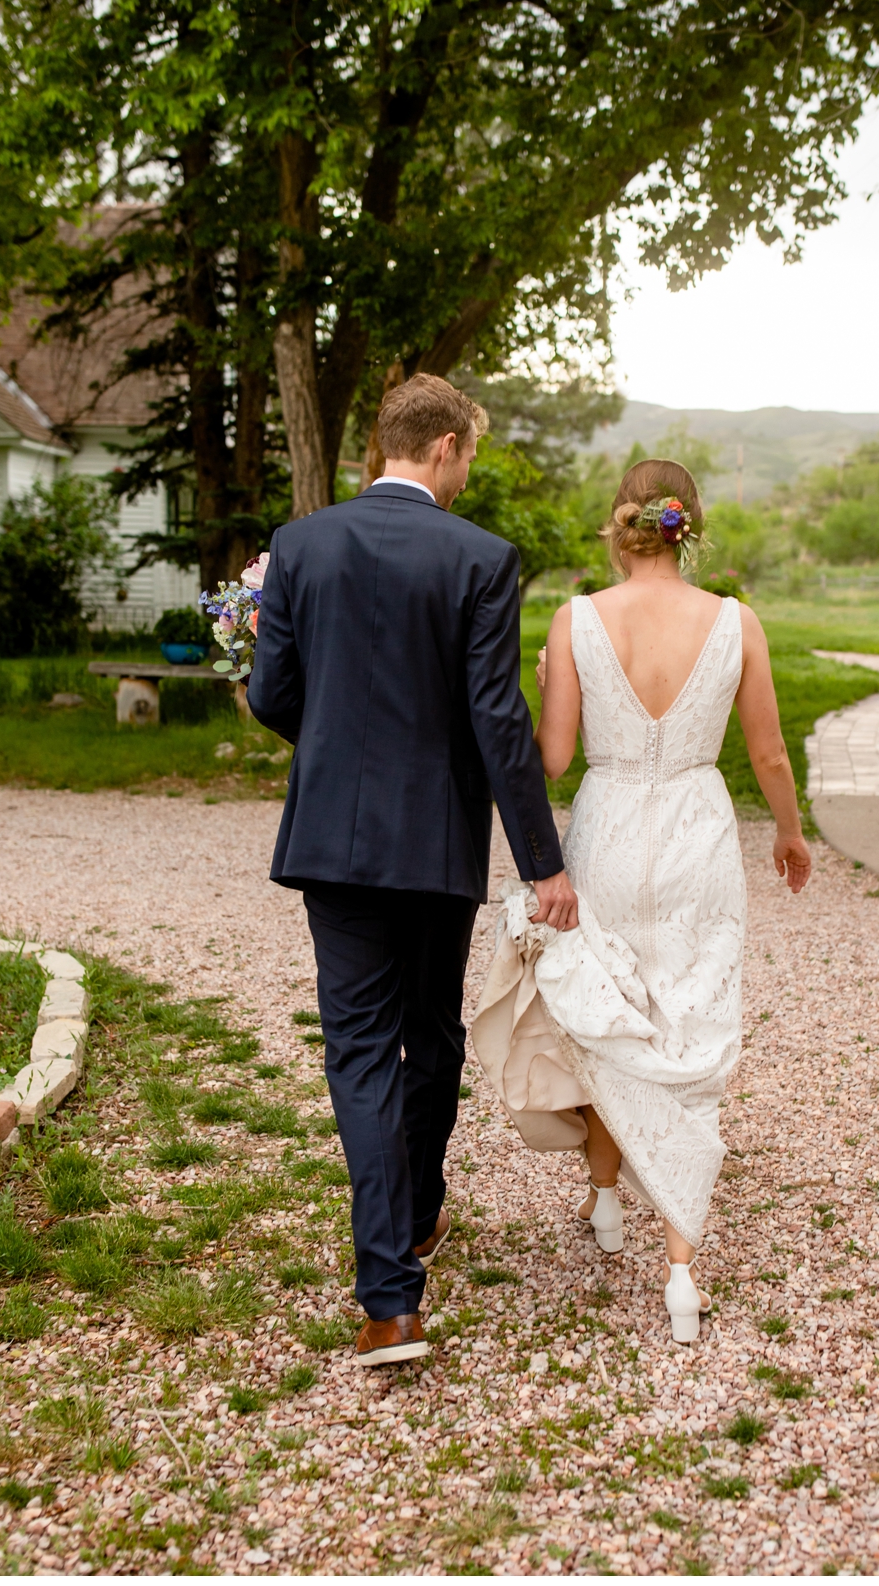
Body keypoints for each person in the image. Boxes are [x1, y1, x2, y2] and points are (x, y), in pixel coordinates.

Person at [247, 374, 576, 1368]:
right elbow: (497, 720)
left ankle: (391, 1296)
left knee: (358, 1053)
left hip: (335, 845)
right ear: (440, 448)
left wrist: (338, 741)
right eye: (468, 453)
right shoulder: (480, 559)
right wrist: (543, 861)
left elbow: (270, 694)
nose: (468, 471)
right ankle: (416, 1218)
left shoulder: (301, 547)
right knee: (430, 1039)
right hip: (434, 842)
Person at [472, 458, 811, 1343]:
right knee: (686, 1018)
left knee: (614, 1016)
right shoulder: (736, 622)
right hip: (698, 830)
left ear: (618, 526)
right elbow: (770, 756)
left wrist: (550, 681)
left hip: (611, 828)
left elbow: (549, 762)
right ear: (687, 526)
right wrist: (788, 831)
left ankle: (605, 1200)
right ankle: (681, 1271)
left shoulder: (578, 619)